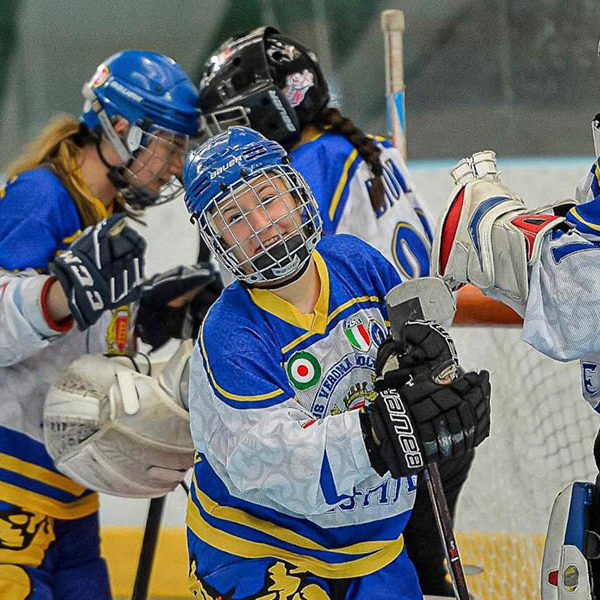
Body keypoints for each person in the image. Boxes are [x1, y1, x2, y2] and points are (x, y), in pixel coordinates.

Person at [195, 26, 471, 596]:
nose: (261, 226)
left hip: (378, 451)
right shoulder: (373, 149)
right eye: (236, 218)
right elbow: (267, 457)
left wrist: (432, 375)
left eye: (268, 201)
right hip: (287, 524)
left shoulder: (321, 174)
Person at [0, 49, 214, 599]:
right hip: (10, 484)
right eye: (168, 145)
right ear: (119, 128)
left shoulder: (108, 220)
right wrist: (54, 297)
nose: (173, 165)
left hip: (68, 487)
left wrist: (153, 317)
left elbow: (84, 350)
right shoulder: (40, 196)